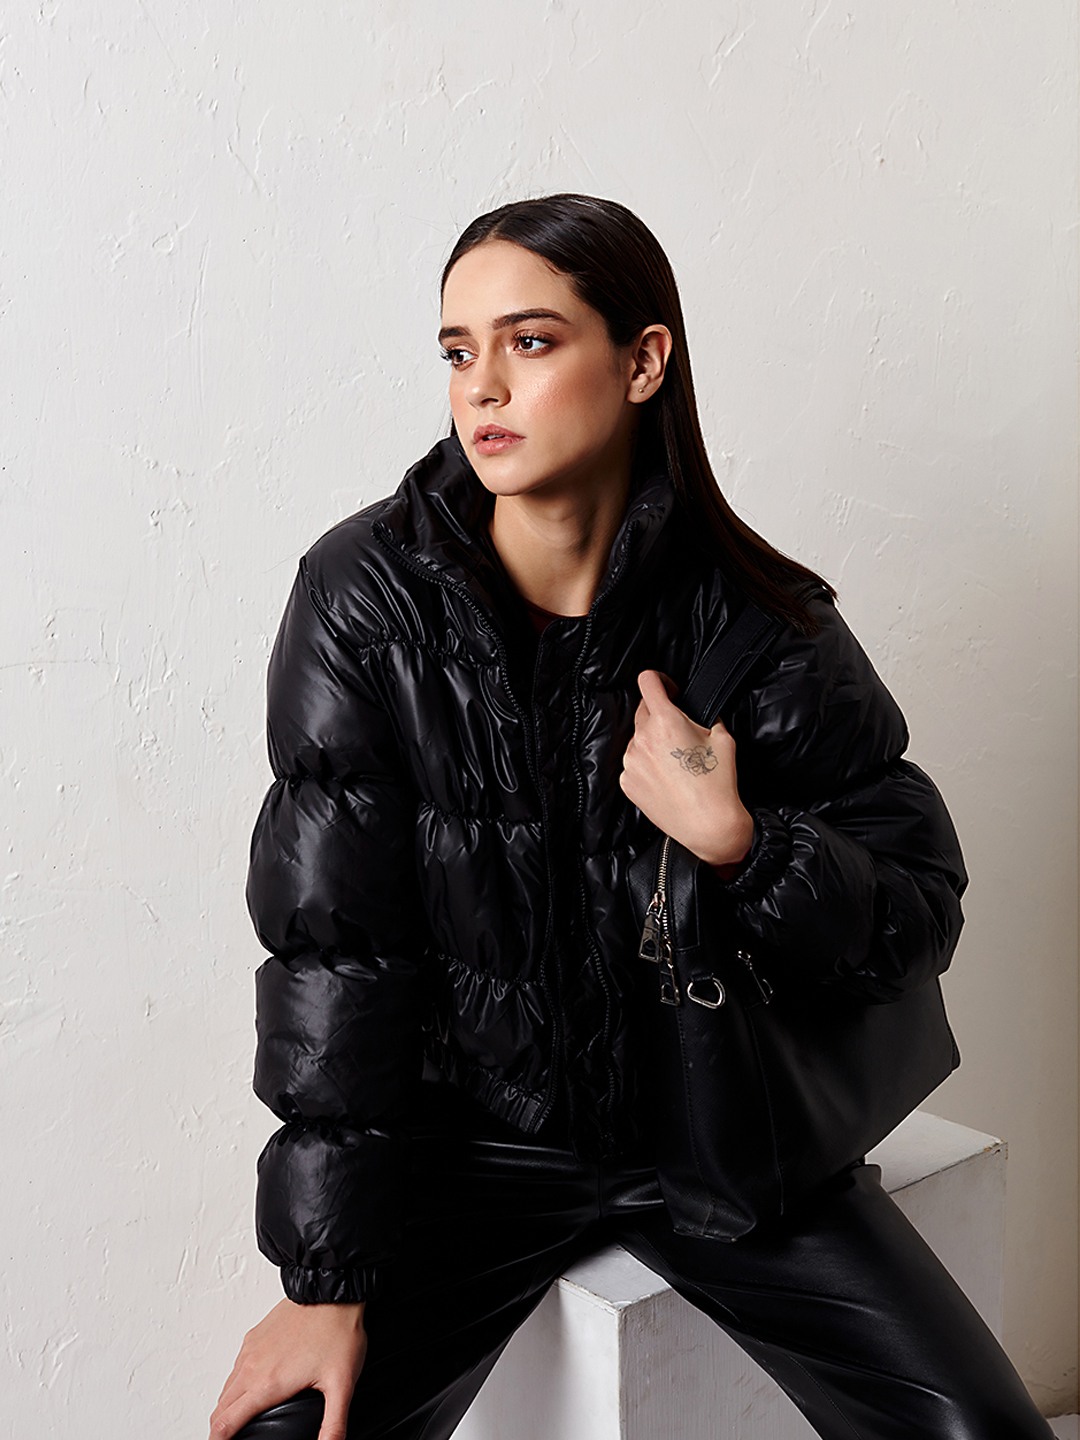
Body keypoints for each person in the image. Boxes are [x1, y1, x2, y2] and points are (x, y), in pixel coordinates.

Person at [209, 193, 1053, 1440]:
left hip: (717, 1139)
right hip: (471, 1153)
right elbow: (334, 953)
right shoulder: (365, 599)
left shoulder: (762, 623)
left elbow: (920, 909)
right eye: (458, 350)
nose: (484, 385)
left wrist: (746, 845)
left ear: (644, 360)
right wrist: (323, 1281)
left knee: (981, 1430)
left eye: (531, 341)